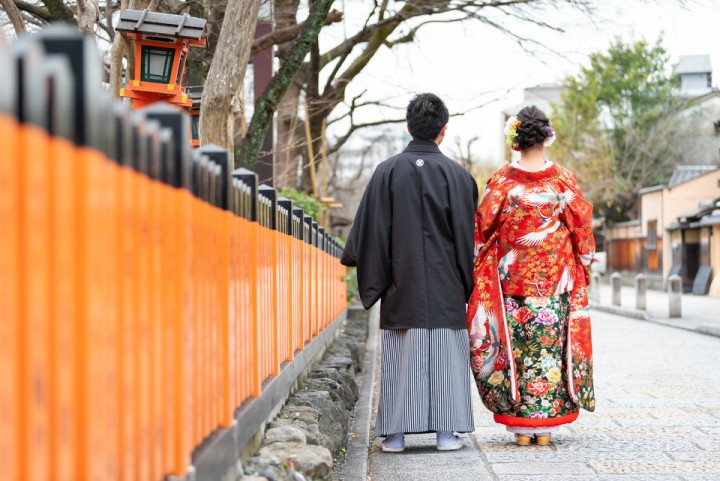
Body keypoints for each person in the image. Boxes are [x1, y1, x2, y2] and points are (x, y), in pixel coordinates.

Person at [341, 93, 479, 452]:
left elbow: (369, 231)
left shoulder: (386, 172)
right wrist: (468, 282)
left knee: (401, 360)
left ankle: (396, 435)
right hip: (447, 287)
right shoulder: (459, 176)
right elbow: (467, 238)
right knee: (447, 357)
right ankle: (447, 434)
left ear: (408, 127)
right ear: (443, 131)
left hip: (401, 286)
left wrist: (378, 278)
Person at [466, 105, 595, 446]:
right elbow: (580, 226)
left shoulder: (502, 181)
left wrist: (479, 259)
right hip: (557, 282)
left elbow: (482, 227)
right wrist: (584, 260)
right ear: (547, 137)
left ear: (516, 141)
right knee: (549, 349)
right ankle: (546, 428)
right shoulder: (563, 179)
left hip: (511, 281)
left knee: (518, 349)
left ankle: (522, 427)